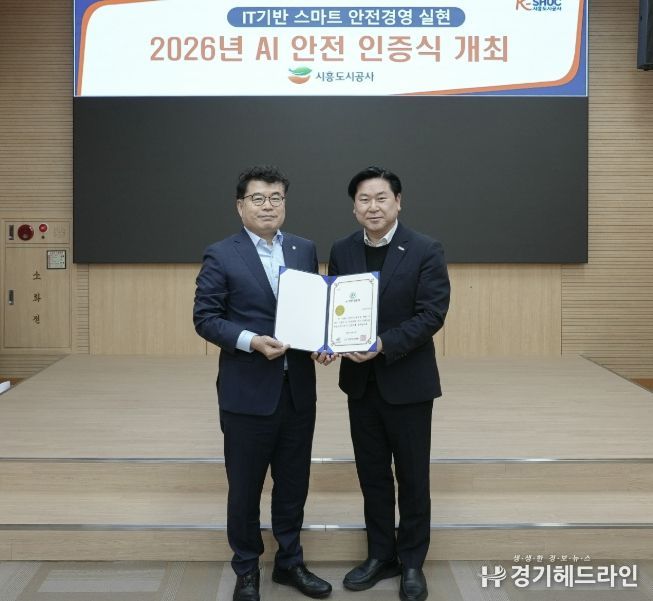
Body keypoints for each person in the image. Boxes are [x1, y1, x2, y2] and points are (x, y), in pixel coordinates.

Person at [193, 166, 332, 601]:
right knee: (245, 489)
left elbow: (311, 311)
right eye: (258, 198)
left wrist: (322, 343)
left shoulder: (303, 249)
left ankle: (290, 563)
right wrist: (251, 341)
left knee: (293, 485)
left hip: (297, 391)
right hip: (247, 393)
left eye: (276, 198)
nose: (268, 206)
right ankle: (247, 568)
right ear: (240, 206)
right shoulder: (221, 254)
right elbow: (205, 318)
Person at [328, 166, 450, 601]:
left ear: (398, 201)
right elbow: (335, 309)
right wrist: (328, 341)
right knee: (373, 475)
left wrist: (382, 344)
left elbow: (431, 314)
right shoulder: (342, 250)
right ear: (354, 207)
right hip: (360, 384)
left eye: (381, 198)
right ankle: (380, 555)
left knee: (413, 477)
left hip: (408, 382)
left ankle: (412, 561)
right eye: (364, 199)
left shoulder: (425, 249)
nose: (373, 206)